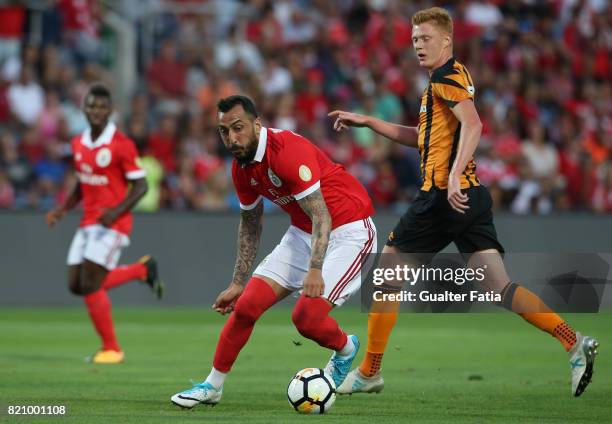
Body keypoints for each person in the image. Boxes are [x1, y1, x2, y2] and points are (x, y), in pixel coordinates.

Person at [328, 7, 598, 398]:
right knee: (500, 286)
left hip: (443, 197)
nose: (418, 45)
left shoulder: (445, 76)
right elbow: (420, 137)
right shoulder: (447, 80)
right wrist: (370, 122)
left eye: (425, 39)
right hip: (471, 198)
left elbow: (474, 124)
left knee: (387, 278)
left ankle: (370, 371)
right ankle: (573, 342)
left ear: (446, 41)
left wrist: (452, 176)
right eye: (415, 39)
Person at [170, 95, 376, 408]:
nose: (232, 138)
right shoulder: (241, 169)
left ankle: (346, 348)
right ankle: (212, 386)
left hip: (348, 230)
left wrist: (315, 270)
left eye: (238, 128)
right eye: (224, 132)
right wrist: (238, 282)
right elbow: (250, 224)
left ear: (256, 124)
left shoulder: (286, 152)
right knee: (247, 306)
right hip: (303, 233)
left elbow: (322, 214)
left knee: (306, 318)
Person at [46, 83, 164, 364]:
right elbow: (81, 181)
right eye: (91, 106)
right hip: (88, 222)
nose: (96, 111)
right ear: (84, 109)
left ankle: (112, 349)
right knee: (76, 284)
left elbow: (141, 186)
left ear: (110, 111)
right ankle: (140, 270)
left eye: (101, 107)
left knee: (90, 283)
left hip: (113, 224)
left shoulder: (121, 144)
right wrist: (63, 209)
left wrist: (115, 212)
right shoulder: (78, 142)